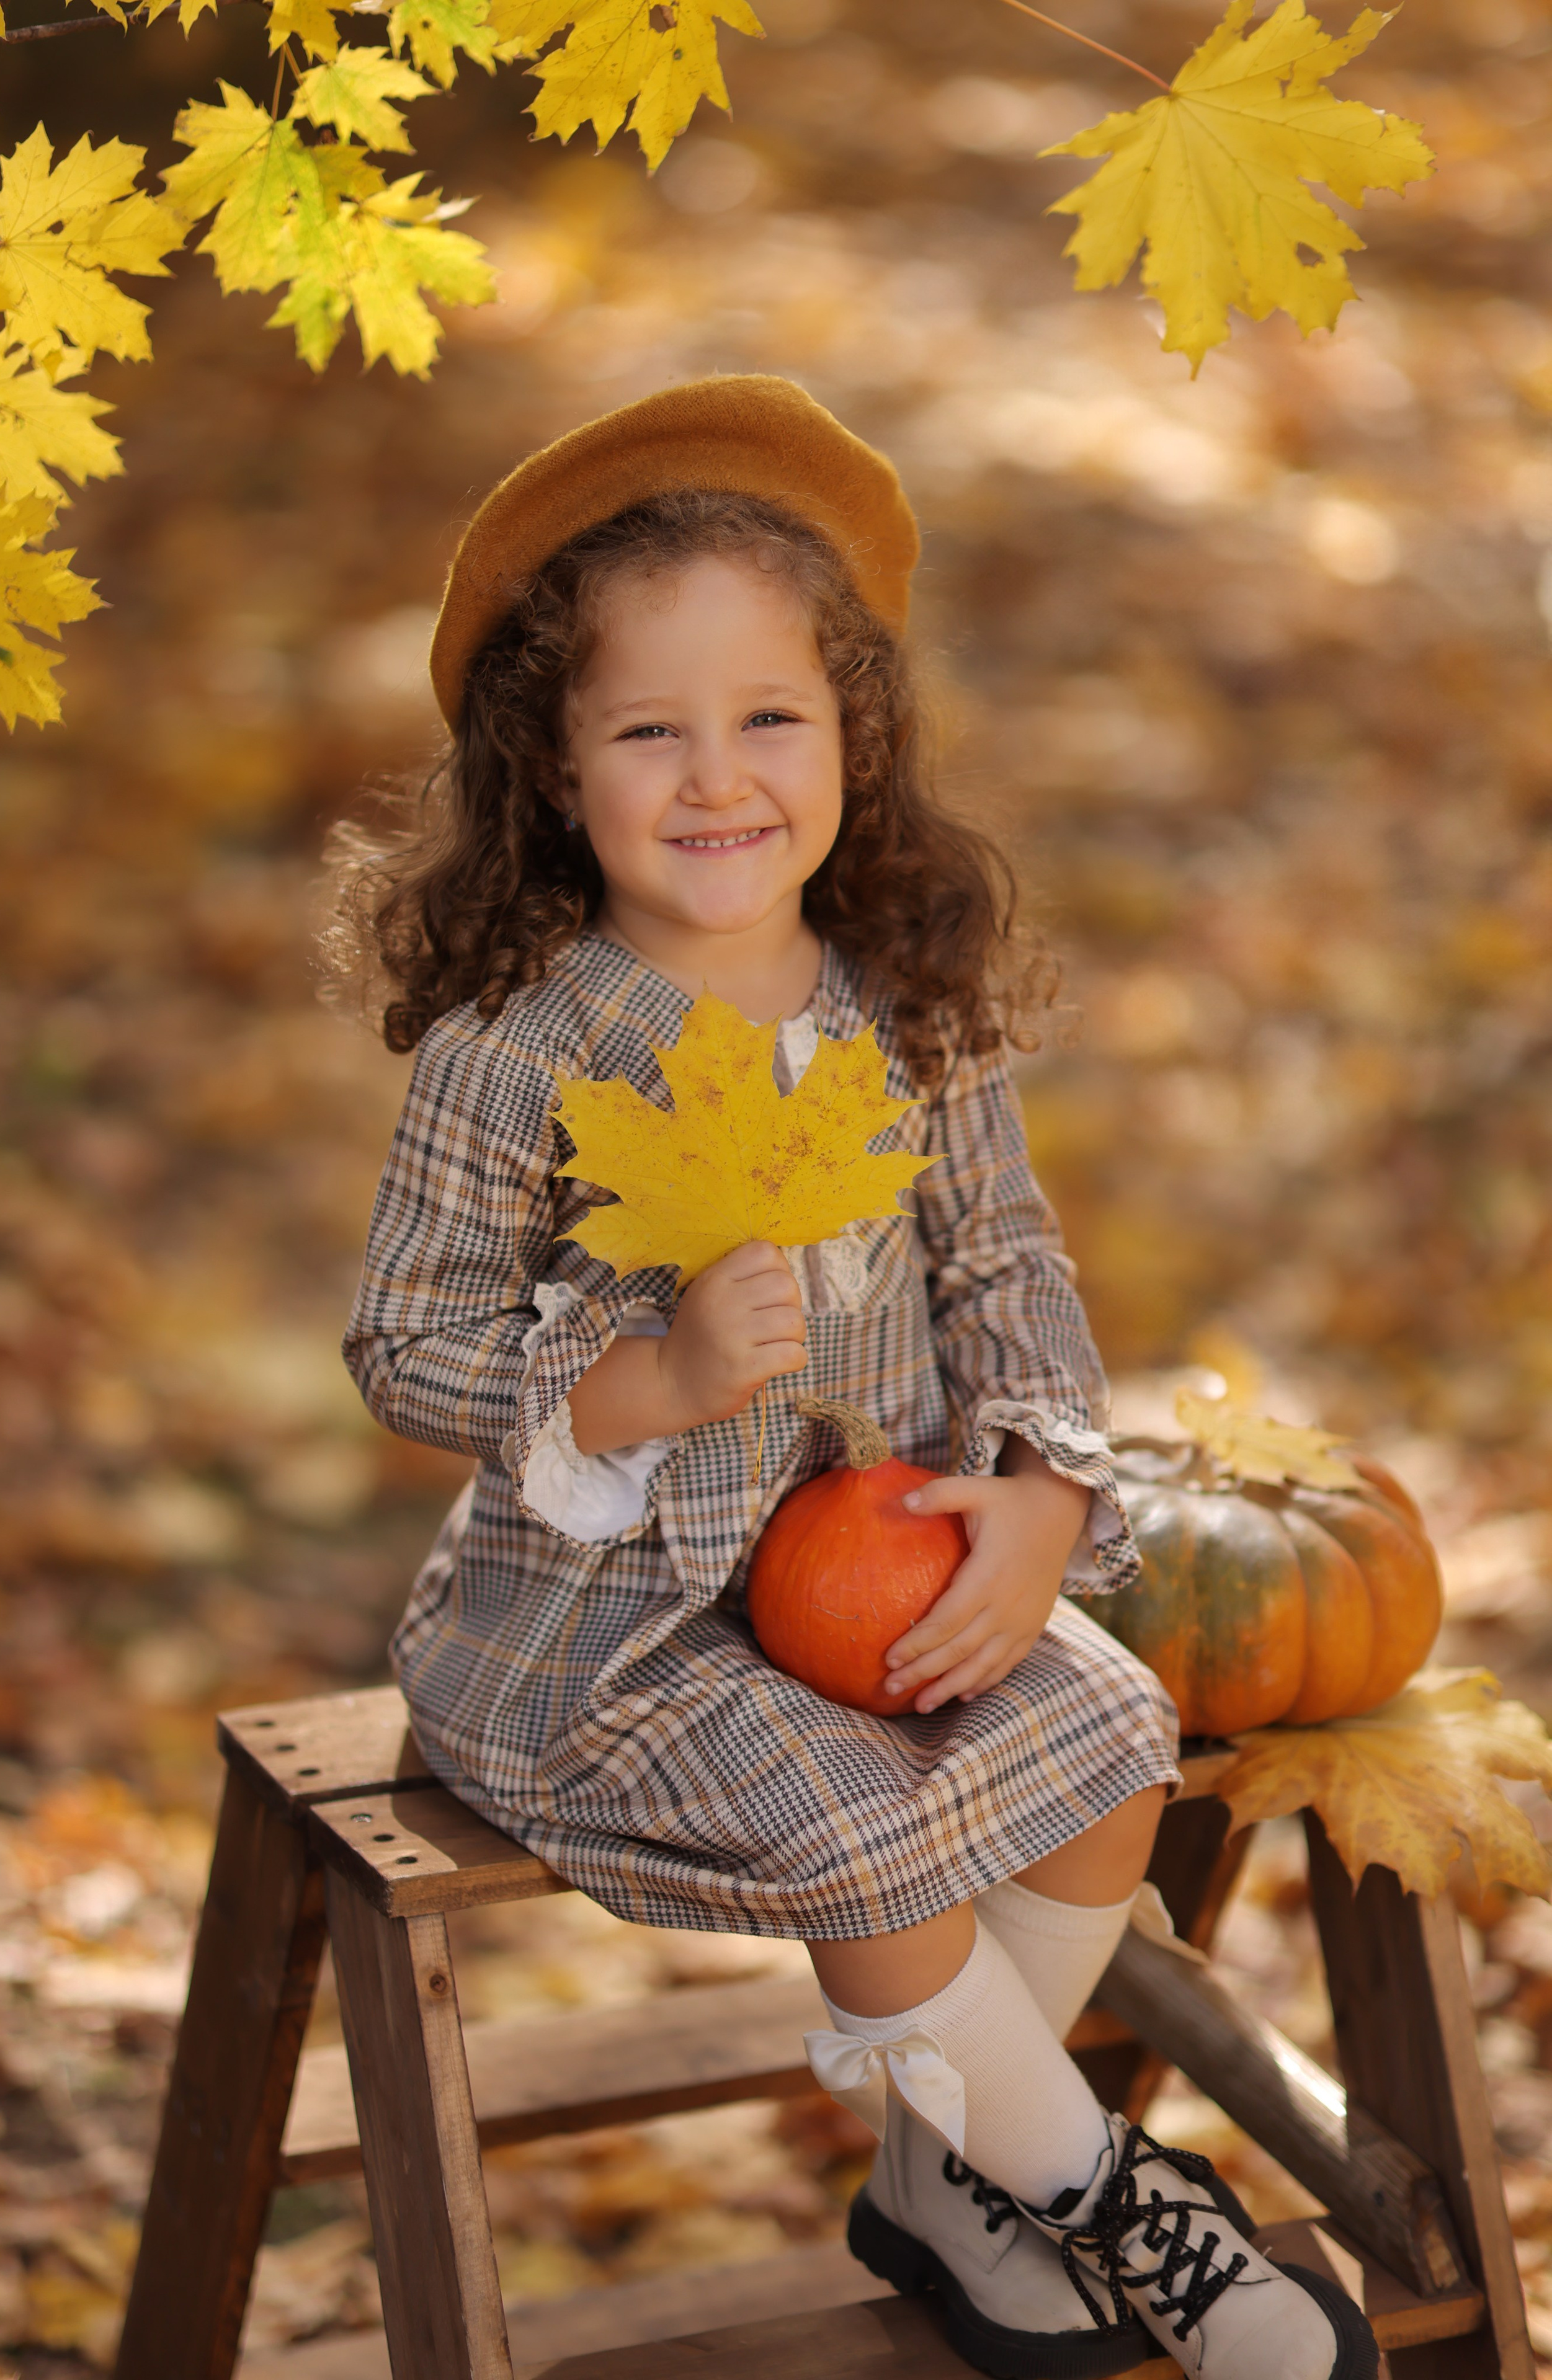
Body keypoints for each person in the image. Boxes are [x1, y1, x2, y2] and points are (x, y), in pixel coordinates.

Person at [331, 376, 1375, 2380]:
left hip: (878, 1570)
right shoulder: (521, 1053)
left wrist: (1050, 1489)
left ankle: (932, 2181)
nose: (715, 777)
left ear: (853, 740)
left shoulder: (896, 1008)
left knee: (1105, 1747)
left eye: (769, 719)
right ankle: (1102, 2197)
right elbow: (405, 1340)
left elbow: (1008, 1265)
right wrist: (638, 1374)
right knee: (866, 1833)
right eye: (649, 729)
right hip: (608, 1639)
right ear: (554, 770)